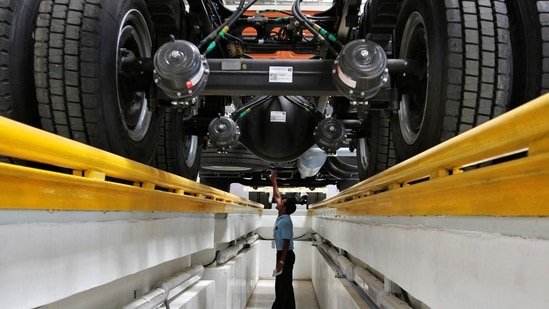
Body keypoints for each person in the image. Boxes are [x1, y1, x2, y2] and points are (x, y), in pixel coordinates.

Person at [269, 170, 297, 309]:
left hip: (285, 255)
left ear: (284, 207)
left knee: (284, 284)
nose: (278, 201)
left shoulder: (285, 221)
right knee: (282, 283)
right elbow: (277, 195)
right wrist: (274, 182)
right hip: (282, 255)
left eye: (282, 201)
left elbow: (286, 243)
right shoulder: (282, 215)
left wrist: (281, 261)